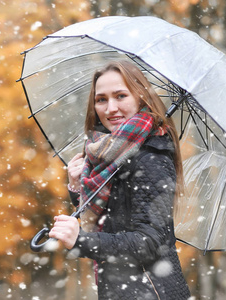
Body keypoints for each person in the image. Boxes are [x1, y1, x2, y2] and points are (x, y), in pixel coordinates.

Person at [48, 61, 191, 300]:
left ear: (140, 99)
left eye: (121, 96)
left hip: (152, 292)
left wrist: (81, 240)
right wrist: (76, 185)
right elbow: (110, 218)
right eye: (101, 99)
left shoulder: (151, 157)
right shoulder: (107, 154)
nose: (110, 108)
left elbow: (148, 242)